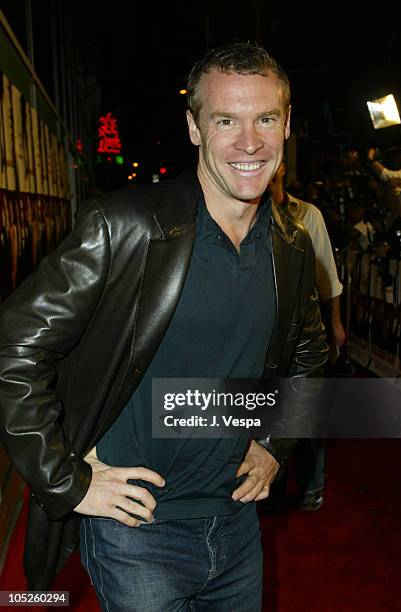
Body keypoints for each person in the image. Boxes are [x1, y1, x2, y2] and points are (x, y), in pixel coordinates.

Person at [0, 42, 327, 611]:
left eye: (265, 119)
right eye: (226, 120)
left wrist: (275, 441)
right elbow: (13, 349)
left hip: (236, 527)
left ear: (287, 123)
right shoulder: (124, 228)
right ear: (195, 127)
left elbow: (310, 358)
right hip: (137, 533)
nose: (249, 143)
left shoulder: (292, 248)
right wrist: (67, 481)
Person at [266, 160, 344, 511]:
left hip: (304, 330)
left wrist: (336, 323)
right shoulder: (243, 212)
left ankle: (312, 484)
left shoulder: (307, 214)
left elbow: (327, 273)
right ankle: (274, 483)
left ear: (281, 168)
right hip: (266, 332)